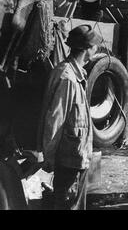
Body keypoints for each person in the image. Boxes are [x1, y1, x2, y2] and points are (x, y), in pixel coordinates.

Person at [39, 25, 102, 210]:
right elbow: (55, 121)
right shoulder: (67, 78)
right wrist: (48, 157)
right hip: (69, 160)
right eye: (95, 46)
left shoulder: (74, 73)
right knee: (67, 205)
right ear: (87, 48)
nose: (96, 49)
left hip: (75, 157)